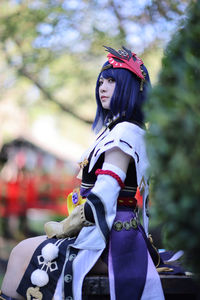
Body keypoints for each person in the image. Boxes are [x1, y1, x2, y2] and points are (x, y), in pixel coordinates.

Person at [0, 46, 165, 300]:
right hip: (112, 234)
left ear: (132, 88)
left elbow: (104, 195)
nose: (103, 87)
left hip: (114, 243)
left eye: (112, 81)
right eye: (101, 81)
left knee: (21, 252)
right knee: (21, 253)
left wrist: (66, 225)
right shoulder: (121, 130)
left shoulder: (124, 134)